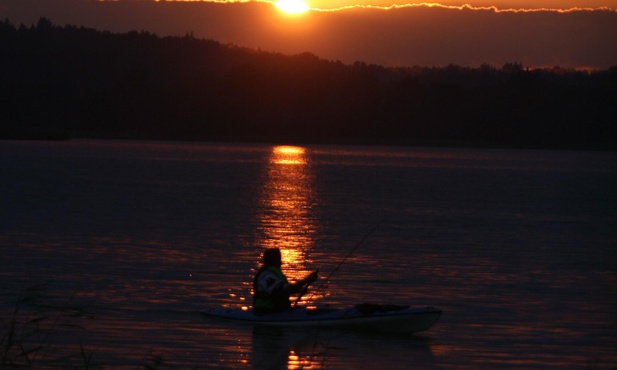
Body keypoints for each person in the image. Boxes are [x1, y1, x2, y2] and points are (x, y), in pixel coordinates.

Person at [253, 247, 318, 314]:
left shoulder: (271, 273)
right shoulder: (266, 276)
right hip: (266, 312)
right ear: (276, 260)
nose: (281, 262)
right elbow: (283, 290)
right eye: (279, 259)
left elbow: (281, 291)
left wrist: (298, 290)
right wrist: (306, 280)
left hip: (278, 311)